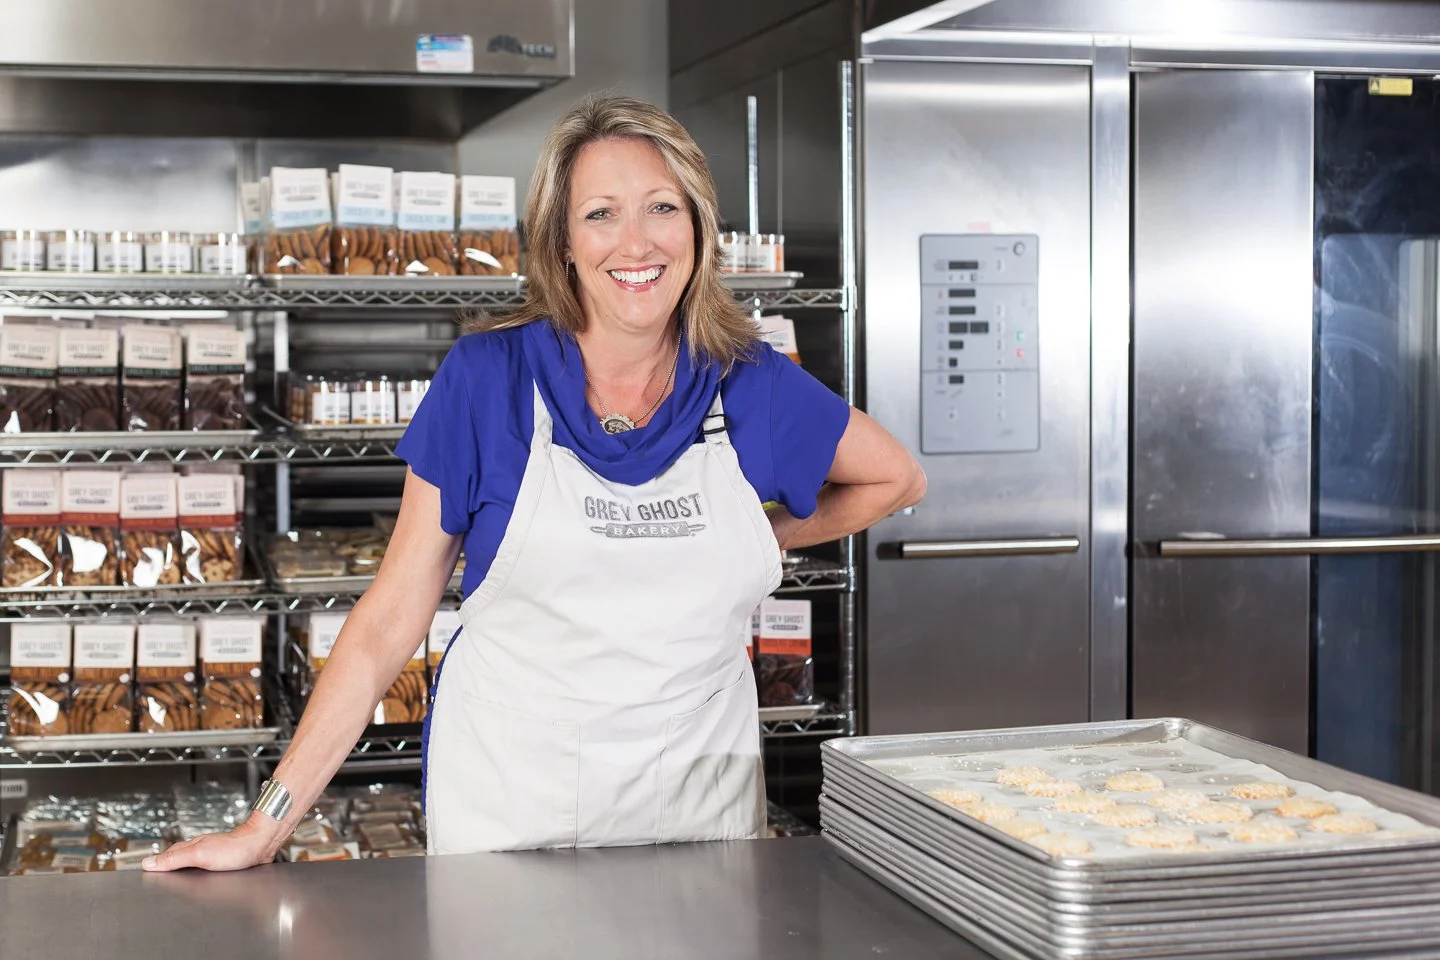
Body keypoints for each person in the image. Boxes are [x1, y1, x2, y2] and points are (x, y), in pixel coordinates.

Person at [145, 95, 924, 870]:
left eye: (661, 206)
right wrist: (266, 825)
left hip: (700, 810)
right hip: (512, 810)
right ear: (561, 243)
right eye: (600, 214)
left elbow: (896, 478)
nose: (636, 241)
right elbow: (389, 621)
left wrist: (772, 531)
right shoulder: (489, 378)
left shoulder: (749, 382)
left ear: (696, 227)